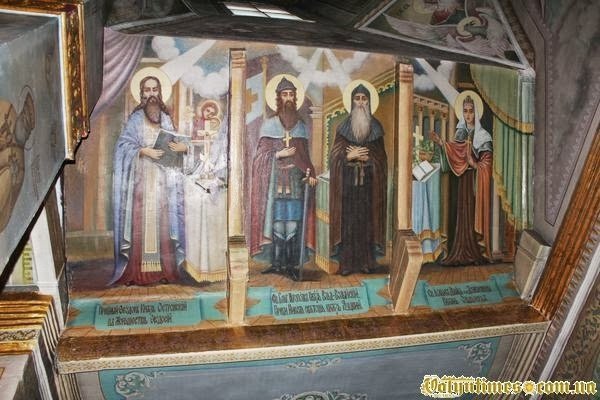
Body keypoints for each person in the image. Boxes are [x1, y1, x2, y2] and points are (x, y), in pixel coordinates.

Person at [110, 75, 188, 286]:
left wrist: (182, 147)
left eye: (155, 89)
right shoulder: (135, 119)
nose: (152, 94)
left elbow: (175, 145)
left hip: (163, 181)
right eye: (147, 90)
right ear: (142, 93)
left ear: (160, 92)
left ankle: (165, 272)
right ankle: (137, 273)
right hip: (141, 180)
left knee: (163, 224)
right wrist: (143, 151)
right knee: (140, 224)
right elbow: (123, 146)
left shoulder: (166, 118)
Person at [249, 77, 317, 280]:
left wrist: (310, 175)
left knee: (293, 222)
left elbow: (305, 157)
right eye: (284, 94)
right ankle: (277, 263)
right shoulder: (269, 125)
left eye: (291, 94)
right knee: (277, 222)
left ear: (295, 98)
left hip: (295, 183)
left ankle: (290, 264)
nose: (288, 98)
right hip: (275, 183)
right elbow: (259, 157)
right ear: (278, 98)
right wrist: (278, 154)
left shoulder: (301, 127)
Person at [329, 83, 387, 276]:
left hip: (369, 184)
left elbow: (382, 159)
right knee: (349, 223)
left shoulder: (376, 127)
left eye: (364, 99)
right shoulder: (343, 127)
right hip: (347, 184)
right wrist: (348, 156)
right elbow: (334, 156)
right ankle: (346, 264)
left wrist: (368, 158)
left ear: (369, 102)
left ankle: (366, 262)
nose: (361, 102)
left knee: (366, 223)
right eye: (357, 98)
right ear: (351, 101)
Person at [430, 92, 493, 265]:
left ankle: (473, 252)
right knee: (459, 214)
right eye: (465, 111)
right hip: (460, 181)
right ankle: (458, 251)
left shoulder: (483, 136)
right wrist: (441, 143)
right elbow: (454, 152)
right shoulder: (460, 133)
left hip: (474, 181)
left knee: (471, 214)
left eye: (471, 111)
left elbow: (487, 163)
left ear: (476, 113)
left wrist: (474, 164)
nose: (468, 115)